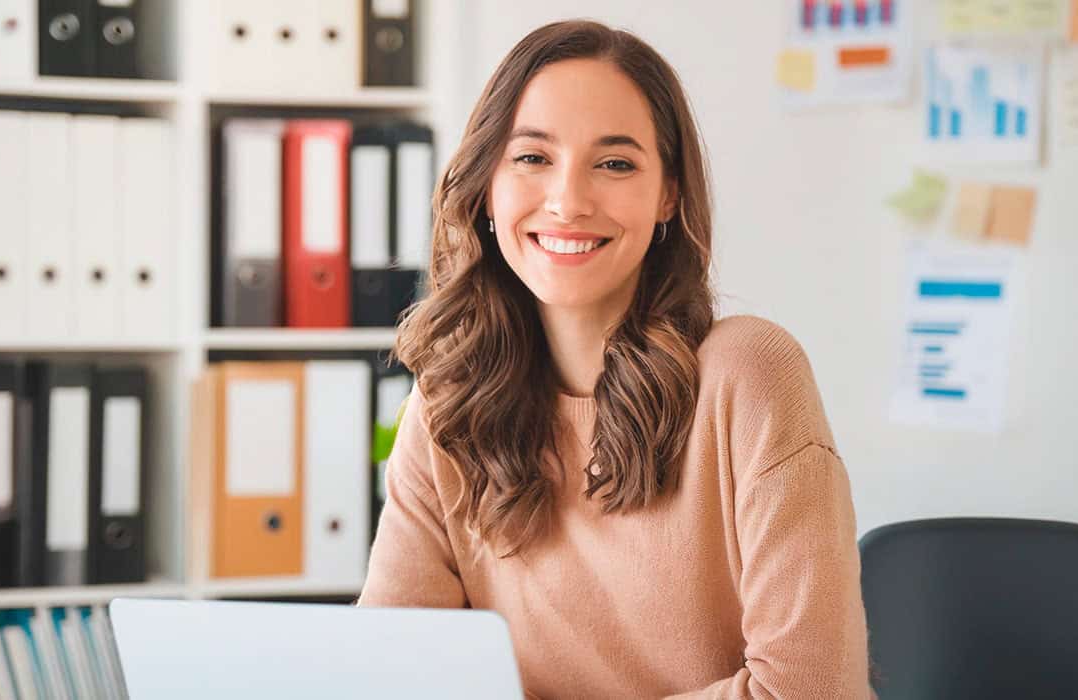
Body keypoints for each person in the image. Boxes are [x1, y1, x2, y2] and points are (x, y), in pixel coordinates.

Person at [357, 19, 874, 700]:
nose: (568, 201)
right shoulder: (447, 405)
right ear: (486, 184)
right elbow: (390, 675)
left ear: (668, 194)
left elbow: (812, 690)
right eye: (532, 158)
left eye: (615, 163)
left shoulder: (749, 375)